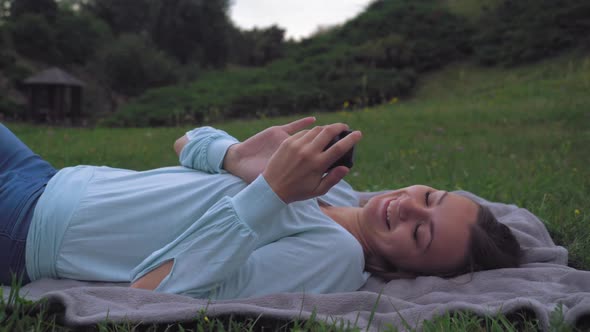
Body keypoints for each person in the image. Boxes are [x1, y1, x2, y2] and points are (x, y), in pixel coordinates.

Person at [0, 118, 522, 299]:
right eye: (428, 198)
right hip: (49, 176)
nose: (408, 209)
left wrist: (268, 192)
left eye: (421, 235)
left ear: (398, 268)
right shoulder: (330, 187)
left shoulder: (334, 256)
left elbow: (154, 290)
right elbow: (186, 141)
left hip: (26, 229)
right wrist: (236, 156)